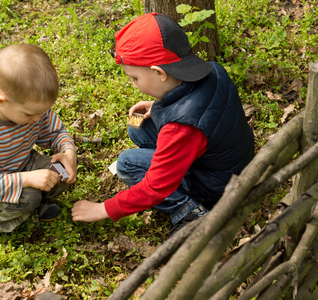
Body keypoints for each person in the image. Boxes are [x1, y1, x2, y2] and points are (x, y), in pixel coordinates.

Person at [71, 13, 254, 232]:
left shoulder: (182, 127)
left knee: (126, 164)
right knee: (136, 125)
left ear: (159, 73)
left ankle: (190, 211)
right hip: (228, 161)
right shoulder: (214, 69)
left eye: (134, 78)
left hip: (217, 186)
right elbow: (204, 106)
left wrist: (104, 209)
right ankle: (172, 163)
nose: (134, 84)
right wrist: (157, 106)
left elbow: (155, 187)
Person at [0, 44, 77, 252]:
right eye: (29, 115)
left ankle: (35, 203)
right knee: (29, 196)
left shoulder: (32, 109)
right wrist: (27, 179)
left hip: (19, 164)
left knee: (60, 172)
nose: (37, 119)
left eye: (43, 112)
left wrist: (69, 152)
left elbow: (56, 132)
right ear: (1, 101)